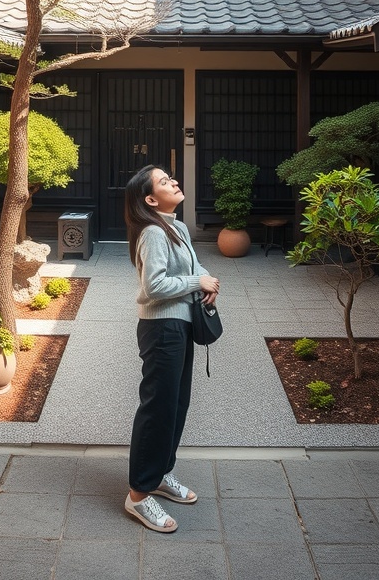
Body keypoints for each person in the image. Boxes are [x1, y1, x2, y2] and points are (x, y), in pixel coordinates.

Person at [124, 165, 221, 533]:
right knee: (157, 409)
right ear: (150, 199)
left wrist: (205, 279)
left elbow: (193, 267)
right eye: (164, 182)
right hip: (161, 328)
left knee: (177, 405)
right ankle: (137, 495)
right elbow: (154, 286)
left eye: (171, 178)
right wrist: (198, 280)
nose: (175, 181)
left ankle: (160, 474)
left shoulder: (176, 227)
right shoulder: (151, 232)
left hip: (179, 325)